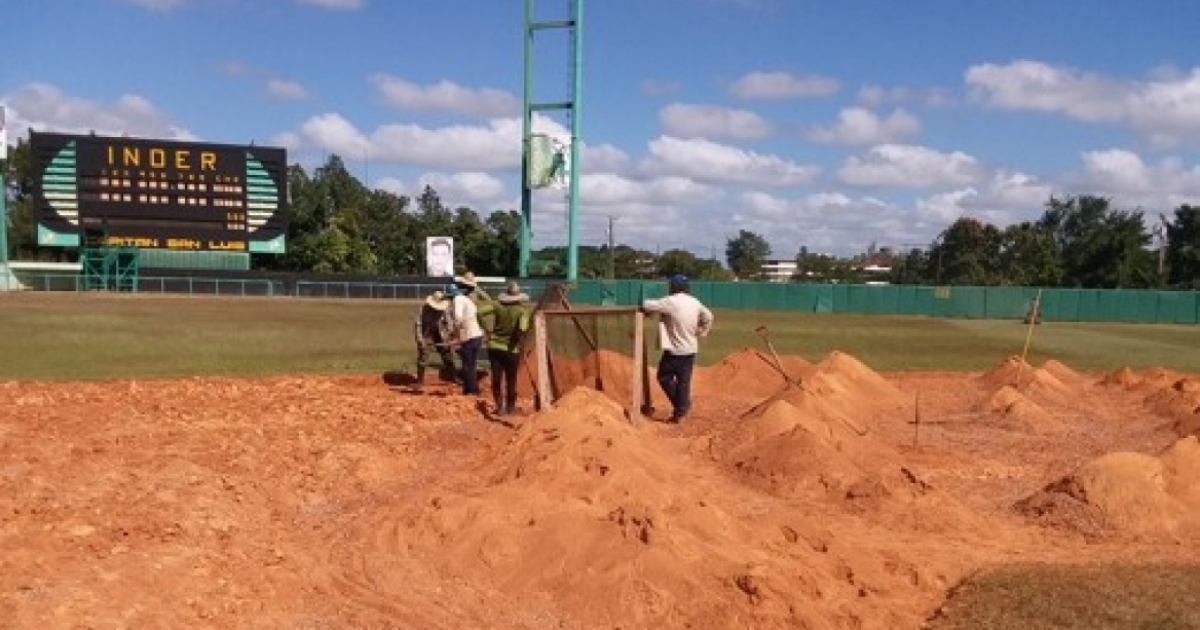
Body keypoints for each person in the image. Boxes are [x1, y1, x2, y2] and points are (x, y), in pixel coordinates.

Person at [641, 274, 714, 422]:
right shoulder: (695, 301)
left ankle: (682, 408)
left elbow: (647, 305)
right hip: (691, 349)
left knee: (664, 377)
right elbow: (709, 316)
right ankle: (681, 408)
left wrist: (645, 306)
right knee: (683, 381)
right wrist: (701, 331)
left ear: (673, 287)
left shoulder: (670, 301)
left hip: (675, 350)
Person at [478, 282, 531, 415]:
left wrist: (487, 330)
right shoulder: (522, 311)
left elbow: (478, 312)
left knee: (496, 378)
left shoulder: (497, 306)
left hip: (494, 347)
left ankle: (499, 407)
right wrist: (519, 342)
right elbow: (522, 329)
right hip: (511, 350)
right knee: (511, 379)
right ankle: (510, 408)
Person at [448, 283, 485, 396]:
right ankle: (472, 388)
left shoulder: (457, 300)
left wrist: (454, 335)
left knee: (467, 365)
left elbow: (458, 318)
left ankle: (470, 390)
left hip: (469, 336)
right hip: (477, 335)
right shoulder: (467, 300)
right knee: (471, 364)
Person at [413, 289, 456, 386]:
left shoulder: (445, 309)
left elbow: (449, 322)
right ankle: (420, 381)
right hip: (427, 333)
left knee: (447, 354)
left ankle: (453, 377)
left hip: (441, 333)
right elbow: (418, 324)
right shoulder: (423, 309)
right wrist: (420, 340)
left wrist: (450, 336)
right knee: (423, 355)